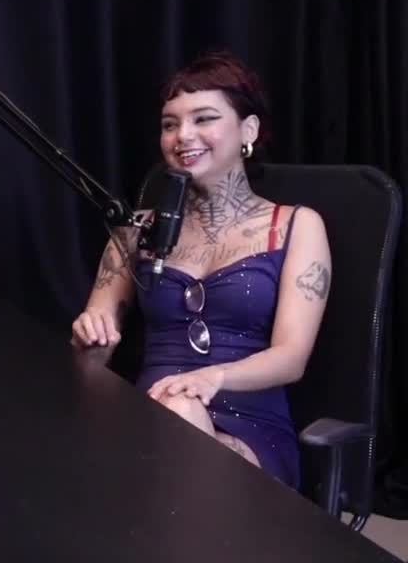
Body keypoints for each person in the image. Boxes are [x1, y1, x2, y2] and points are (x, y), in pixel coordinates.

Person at [70, 51, 332, 490]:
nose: (183, 136)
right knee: (169, 417)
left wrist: (212, 377)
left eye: (204, 119)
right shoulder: (136, 231)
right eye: (170, 124)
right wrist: (91, 342)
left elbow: (292, 358)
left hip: (250, 432)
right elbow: (89, 365)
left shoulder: (296, 226)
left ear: (248, 130)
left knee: (180, 421)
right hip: (150, 422)